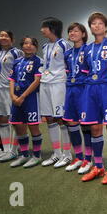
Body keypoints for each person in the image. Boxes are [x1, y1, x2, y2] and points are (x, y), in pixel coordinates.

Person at [80, 12, 107, 184]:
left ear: (106, 27)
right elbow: (85, 71)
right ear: (90, 28)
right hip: (91, 89)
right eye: (93, 24)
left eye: (100, 23)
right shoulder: (86, 48)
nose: (97, 26)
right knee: (95, 128)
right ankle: (98, 166)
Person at [40, 17, 73, 168]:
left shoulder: (64, 44)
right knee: (49, 118)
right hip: (45, 83)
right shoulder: (45, 46)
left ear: (52, 28)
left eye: (44, 27)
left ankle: (67, 155)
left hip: (59, 83)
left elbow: (69, 64)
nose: (42, 30)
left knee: (61, 119)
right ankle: (57, 153)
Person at [0, 30, 23, 162]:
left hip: (11, 89)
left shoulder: (17, 52)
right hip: (0, 90)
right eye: (1, 35)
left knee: (13, 120)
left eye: (6, 36)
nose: (3, 38)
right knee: (2, 120)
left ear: (11, 39)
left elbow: (21, 71)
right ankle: (6, 149)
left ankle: (14, 150)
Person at [9, 37, 44, 168]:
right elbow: (11, 79)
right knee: (19, 127)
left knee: (33, 126)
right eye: (25, 43)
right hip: (16, 97)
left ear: (36, 47)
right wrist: (12, 95)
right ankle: (24, 155)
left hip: (30, 97)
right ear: (22, 46)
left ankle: (36, 155)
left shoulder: (38, 61)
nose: (28, 46)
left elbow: (37, 81)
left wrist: (22, 96)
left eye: (32, 44)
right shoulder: (17, 61)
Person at [62, 23, 92, 174]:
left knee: (85, 124)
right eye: (70, 31)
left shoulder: (89, 49)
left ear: (83, 34)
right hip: (70, 89)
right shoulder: (67, 53)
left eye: (76, 31)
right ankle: (78, 157)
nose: (72, 33)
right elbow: (68, 71)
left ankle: (88, 158)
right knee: (71, 123)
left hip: (83, 89)